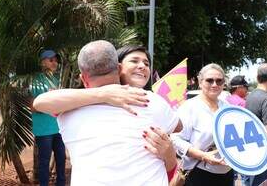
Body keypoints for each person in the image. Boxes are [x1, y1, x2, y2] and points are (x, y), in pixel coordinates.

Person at [33, 45, 180, 178]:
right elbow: (179, 126)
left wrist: (100, 94)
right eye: (134, 61)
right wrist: (104, 94)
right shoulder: (150, 101)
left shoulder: (68, 106)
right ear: (119, 68)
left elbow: (40, 103)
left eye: (146, 63)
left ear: (83, 78)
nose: (141, 67)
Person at [172, 63, 234, 186]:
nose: (215, 84)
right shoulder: (189, 107)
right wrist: (203, 156)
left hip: (227, 173)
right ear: (200, 83)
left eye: (219, 81)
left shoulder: (228, 108)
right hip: (199, 173)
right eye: (209, 80)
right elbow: (175, 139)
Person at [30, 50, 65, 186]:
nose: (55, 63)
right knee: (44, 162)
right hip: (44, 130)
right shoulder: (36, 80)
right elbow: (33, 106)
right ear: (42, 61)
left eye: (56, 60)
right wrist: (49, 102)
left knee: (61, 159)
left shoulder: (54, 80)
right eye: (51, 60)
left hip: (57, 127)